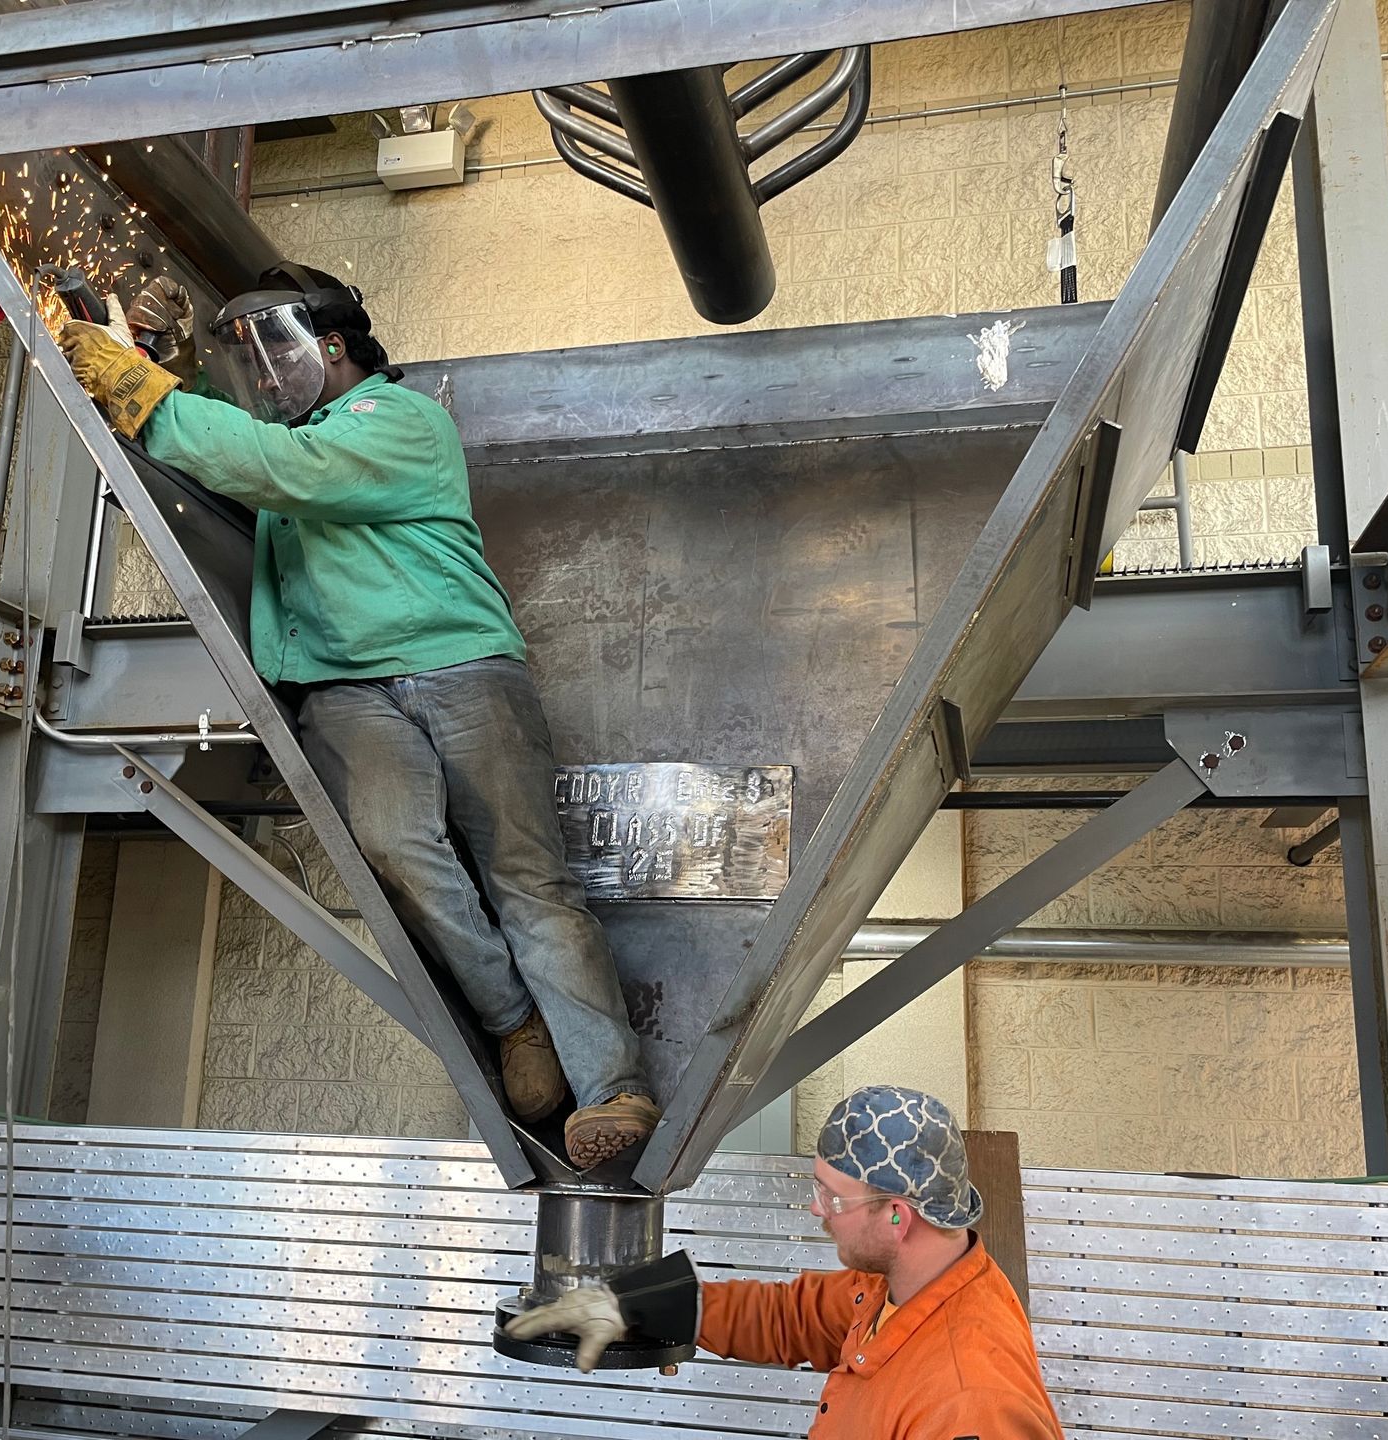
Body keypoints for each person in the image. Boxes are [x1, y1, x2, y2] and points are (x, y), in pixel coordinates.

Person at [57, 266, 659, 1169]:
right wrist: (137, 362)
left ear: (331, 347)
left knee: (528, 881)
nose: (261, 381)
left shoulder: (398, 423)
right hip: (343, 689)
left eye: (273, 357)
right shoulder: (282, 449)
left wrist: (142, 385)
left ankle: (611, 1088)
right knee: (396, 854)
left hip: (463, 668)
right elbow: (220, 456)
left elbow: (276, 466)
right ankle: (515, 1019)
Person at [503, 1085, 1065, 1439]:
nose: (816, 1208)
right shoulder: (903, 1288)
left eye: (832, 1197)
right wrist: (637, 1305)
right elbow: (792, 1316)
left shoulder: (971, 1408)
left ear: (898, 1215)